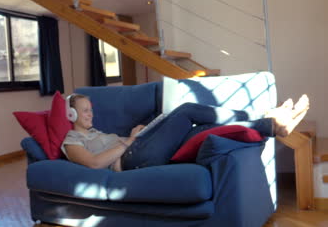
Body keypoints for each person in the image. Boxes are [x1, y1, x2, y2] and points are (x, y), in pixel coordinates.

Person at [61, 93, 310, 172]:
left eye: (90, 110)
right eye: (84, 111)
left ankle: (273, 126)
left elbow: (115, 145)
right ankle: (263, 117)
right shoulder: (71, 141)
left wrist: (134, 134)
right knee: (187, 110)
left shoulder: (96, 131)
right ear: (71, 115)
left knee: (202, 129)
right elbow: (94, 164)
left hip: (137, 146)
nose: (90, 114)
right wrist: (129, 141)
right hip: (131, 159)